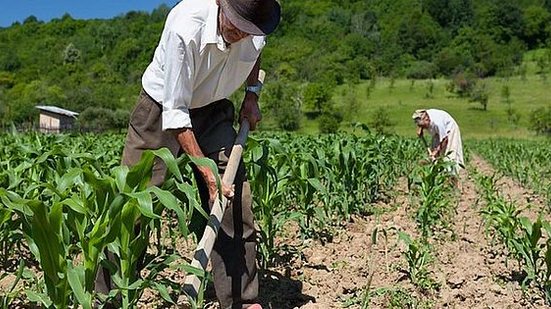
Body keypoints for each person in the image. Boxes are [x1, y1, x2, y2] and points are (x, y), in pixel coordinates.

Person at [95, 0, 281, 308]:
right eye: (235, 24)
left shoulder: (257, 23)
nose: (240, 34)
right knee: (133, 205)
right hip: (161, 110)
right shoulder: (185, 26)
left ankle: (242, 300)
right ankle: (108, 298)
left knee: (235, 202)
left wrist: (252, 96)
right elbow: (177, 115)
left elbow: (255, 54)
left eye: (248, 30)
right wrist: (208, 176)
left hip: (214, 106)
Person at [412, 109, 465, 175]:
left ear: (426, 119)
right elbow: (420, 121)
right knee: (434, 156)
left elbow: (444, 139)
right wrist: (420, 129)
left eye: (424, 126)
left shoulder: (438, 123)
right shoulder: (424, 115)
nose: (425, 128)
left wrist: (436, 151)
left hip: (450, 130)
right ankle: (437, 173)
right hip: (437, 132)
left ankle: (452, 176)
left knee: (449, 155)